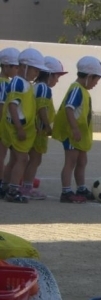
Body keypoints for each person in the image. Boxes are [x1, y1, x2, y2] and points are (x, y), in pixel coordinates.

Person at [51, 56, 101, 204]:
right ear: (89, 76)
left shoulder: (82, 90)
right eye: (96, 79)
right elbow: (69, 109)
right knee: (70, 162)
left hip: (79, 135)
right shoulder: (77, 89)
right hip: (72, 134)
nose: (97, 83)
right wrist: (74, 128)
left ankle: (81, 188)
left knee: (82, 161)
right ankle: (66, 191)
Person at [1, 48, 49, 203]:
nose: (36, 73)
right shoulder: (18, 83)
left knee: (15, 160)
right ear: (24, 67)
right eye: (34, 69)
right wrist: (20, 128)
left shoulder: (25, 83)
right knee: (22, 159)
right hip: (16, 128)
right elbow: (12, 106)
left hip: (22, 127)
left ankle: (5, 186)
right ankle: (13, 191)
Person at [21, 57, 68, 200]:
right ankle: (27, 188)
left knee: (30, 159)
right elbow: (42, 108)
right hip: (37, 130)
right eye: (57, 76)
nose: (57, 80)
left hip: (31, 127)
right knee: (35, 159)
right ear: (49, 74)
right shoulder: (44, 88)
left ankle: (21, 184)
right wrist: (47, 126)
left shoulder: (35, 86)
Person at [0, 47, 20, 197]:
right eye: (15, 67)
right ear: (6, 66)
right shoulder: (4, 84)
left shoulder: (7, 83)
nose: (17, 69)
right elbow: (2, 106)